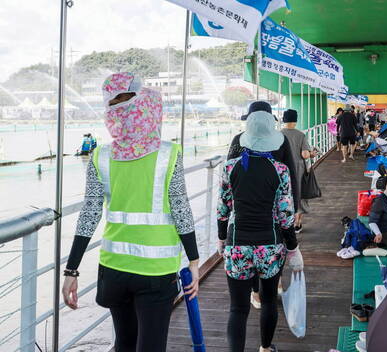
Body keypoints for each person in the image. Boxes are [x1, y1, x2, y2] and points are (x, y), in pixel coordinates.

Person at [62, 72, 200, 352]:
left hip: (113, 269)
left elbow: (89, 214)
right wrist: (194, 260)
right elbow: (181, 208)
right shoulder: (168, 153)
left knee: (124, 343)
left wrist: (72, 270)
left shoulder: (100, 156)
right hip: (156, 271)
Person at [218, 109, 303, 352]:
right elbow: (285, 217)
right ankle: (266, 348)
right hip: (270, 245)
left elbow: (223, 209)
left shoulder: (230, 167)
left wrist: (222, 238)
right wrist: (293, 248)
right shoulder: (280, 171)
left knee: (238, 308)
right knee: (267, 302)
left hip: (237, 245)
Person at [281, 109, 317, 234]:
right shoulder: (300, 135)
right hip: (298, 169)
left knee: (285, 194)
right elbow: (305, 154)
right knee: (299, 194)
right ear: (295, 120)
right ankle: (297, 222)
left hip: (281, 169)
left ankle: (285, 222)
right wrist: (312, 154)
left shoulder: (278, 134)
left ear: (283, 119)